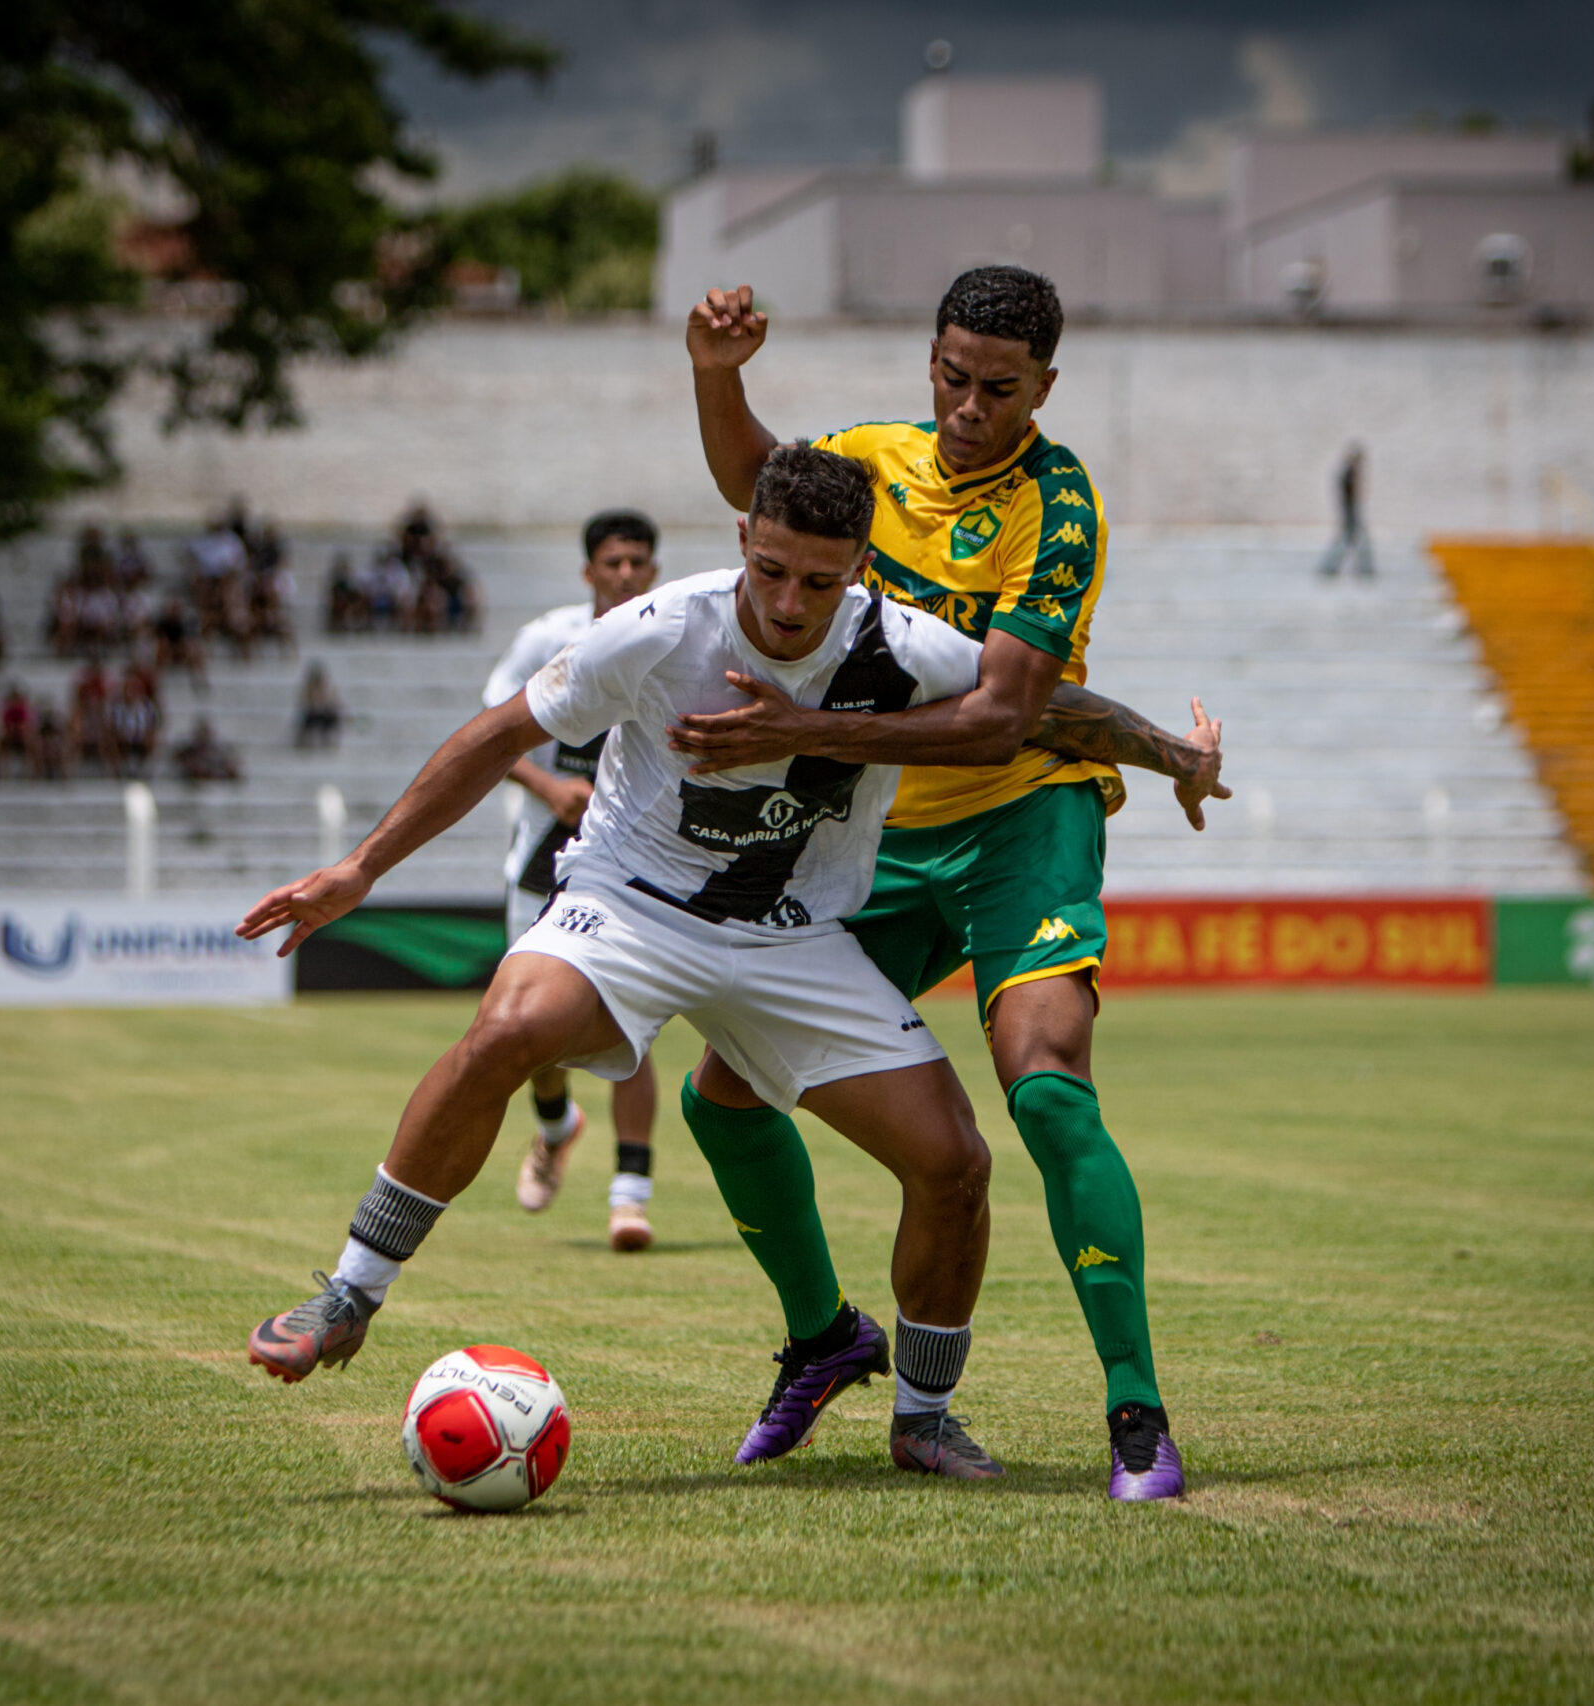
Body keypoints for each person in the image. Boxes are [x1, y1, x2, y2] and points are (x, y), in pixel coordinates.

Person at [241, 448, 1040, 1480]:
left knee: (954, 1163)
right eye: (774, 569)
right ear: (743, 541)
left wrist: (1169, 751)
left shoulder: (904, 645)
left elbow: (1027, 709)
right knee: (504, 1034)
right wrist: (360, 867)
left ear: (859, 570)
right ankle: (347, 1293)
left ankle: (922, 1415)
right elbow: (495, 735)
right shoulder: (662, 628)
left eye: (820, 579)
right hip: (630, 905)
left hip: (791, 933)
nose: (792, 601)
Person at [684, 266, 1229, 1502]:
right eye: (950, 376)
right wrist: (718, 377)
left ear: (1044, 384)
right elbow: (753, 482)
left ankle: (1134, 1410)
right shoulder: (875, 459)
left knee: (1046, 1090)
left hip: (1019, 816)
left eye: (997, 387)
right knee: (722, 1097)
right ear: (926, 359)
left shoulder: (1059, 501)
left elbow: (1000, 720)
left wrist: (810, 730)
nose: (968, 405)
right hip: (875, 839)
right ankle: (826, 1337)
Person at [480, 508, 665, 1250]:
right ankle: (557, 1126)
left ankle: (631, 1197)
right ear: (588, 571)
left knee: (631, 1025)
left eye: (637, 563)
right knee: (533, 1033)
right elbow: (491, 730)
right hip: (540, 856)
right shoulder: (546, 639)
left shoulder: (671, 631)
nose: (625, 575)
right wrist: (548, 789)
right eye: (612, 563)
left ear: (653, 569)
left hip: (634, 861)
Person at [1317, 443, 1374, 579]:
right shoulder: (1348, 473)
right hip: (1350, 512)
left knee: (1350, 540)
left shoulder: (1348, 472)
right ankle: (1332, 568)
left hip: (1350, 512)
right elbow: (1351, 495)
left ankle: (1362, 569)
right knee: (1349, 540)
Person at [295, 662, 343, 750]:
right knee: (306, 717)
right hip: (313, 714)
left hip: (324, 715)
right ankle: (305, 741)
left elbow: (333, 703)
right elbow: (306, 703)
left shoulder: (328, 689)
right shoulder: (309, 689)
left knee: (332, 716)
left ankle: (327, 740)